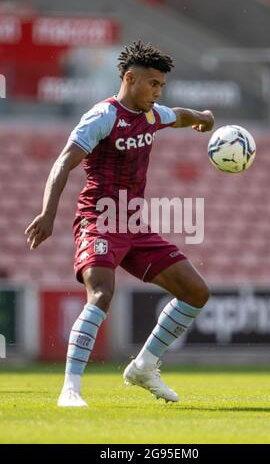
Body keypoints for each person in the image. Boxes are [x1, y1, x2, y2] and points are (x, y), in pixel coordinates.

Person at [25, 41, 214, 407]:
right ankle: (71, 389)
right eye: (153, 84)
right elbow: (63, 163)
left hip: (134, 224)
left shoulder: (153, 114)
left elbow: (181, 114)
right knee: (101, 295)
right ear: (130, 78)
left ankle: (144, 366)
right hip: (98, 218)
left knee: (196, 292)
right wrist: (48, 213)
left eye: (161, 85)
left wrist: (205, 118)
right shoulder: (102, 116)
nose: (158, 92)